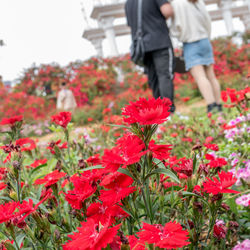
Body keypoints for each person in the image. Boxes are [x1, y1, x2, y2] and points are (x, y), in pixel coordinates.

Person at [170, 0, 222, 113]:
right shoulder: (199, 2)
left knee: (200, 77)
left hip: (190, 43)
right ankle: (218, 105)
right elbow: (208, 21)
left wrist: (178, 36)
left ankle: (211, 105)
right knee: (211, 76)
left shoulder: (177, 3)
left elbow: (175, 27)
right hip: (205, 40)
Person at [125, 0, 176, 113]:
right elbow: (167, 11)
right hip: (160, 41)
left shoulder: (129, 2)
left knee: (153, 78)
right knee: (164, 75)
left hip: (143, 46)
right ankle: (169, 111)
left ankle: (159, 112)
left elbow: (130, 24)